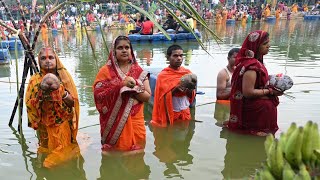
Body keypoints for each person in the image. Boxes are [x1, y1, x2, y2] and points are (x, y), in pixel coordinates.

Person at [93, 35, 151, 152]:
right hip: (113, 122)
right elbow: (98, 95)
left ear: (131, 50)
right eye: (120, 48)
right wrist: (120, 86)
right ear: (114, 51)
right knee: (114, 153)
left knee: (137, 154)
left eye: (127, 47)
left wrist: (132, 88)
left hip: (136, 120)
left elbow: (147, 97)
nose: (124, 50)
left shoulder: (139, 71)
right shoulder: (105, 71)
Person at [25, 47, 80, 168]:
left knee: (57, 160)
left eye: (51, 57)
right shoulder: (34, 80)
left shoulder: (64, 78)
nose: (47, 61)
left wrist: (61, 92)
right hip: (44, 126)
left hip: (62, 124)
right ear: (39, 62)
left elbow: (73, 103)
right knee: (46, 149)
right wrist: (42, 93)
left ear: (56, 60)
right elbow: (29, 103)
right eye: (43, 58)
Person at [226, 30, 283, 136]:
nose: (268, 46)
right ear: (256, 46)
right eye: (265, 44)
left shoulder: (256, 63)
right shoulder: (251, 67)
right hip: (255, 115)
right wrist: (270, 91)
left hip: (260, 113)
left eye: (268, 43)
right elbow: (248, 92)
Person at [151, 45, 196, 127]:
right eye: (175, 56)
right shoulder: (163, 76)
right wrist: (175, 90)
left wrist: (191, 89)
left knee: (185, 137)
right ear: (168, 57)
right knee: (170, 135)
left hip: (185, 111)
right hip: (171, 113)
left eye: (181, 55)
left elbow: (191, 96)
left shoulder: (187, 73)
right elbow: (160, 98)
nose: (179, 58)